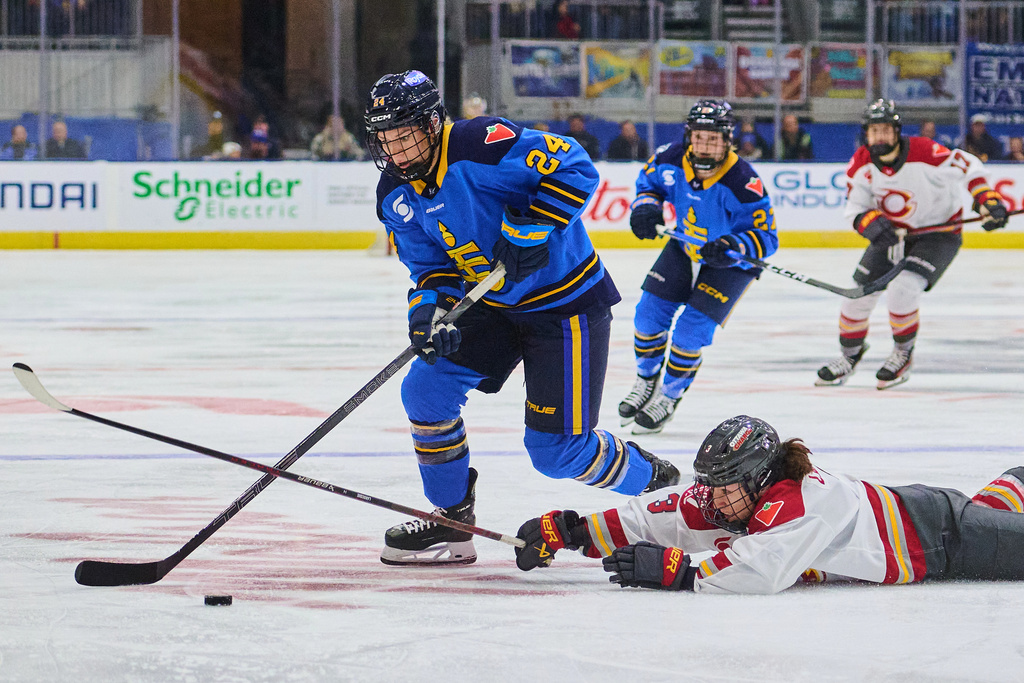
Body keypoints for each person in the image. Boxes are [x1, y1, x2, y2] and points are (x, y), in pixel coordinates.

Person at [364, 70, 680, 566]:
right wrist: (429, 315)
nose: (397, 152)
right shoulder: (394, 195)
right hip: (493, 305)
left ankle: (664, 489)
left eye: (404, 137)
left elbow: (575, 166)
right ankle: (452, 518)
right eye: (386, 140)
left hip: (564, 304)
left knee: (556, 454)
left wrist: (528, 229)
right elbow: (430, 269)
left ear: (431, 122)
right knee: (425, 390)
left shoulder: (481, 144)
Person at [513, 414, 1024, 594]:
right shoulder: (733, 492)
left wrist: (681, 573)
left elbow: (761, 571)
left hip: (944, 539)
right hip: (926, 514)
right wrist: (575, 530)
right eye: (710, 482)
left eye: (725, 484)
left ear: (758, 478)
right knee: (999, 509)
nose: (712, 496)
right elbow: (657, 513)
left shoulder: (807, 500)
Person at [815, 99, 1009, 390]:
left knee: (903, 289)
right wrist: (871, 224)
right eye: (873, 130)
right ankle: (849, 357)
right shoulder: (861, 163)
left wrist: (987, 199)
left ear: (897, 132)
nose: (879, 136)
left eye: (885, 130)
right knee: (856, 298)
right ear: (866, 134)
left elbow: (968, 166)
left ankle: (902, 354)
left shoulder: (926, 152)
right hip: (895, 236)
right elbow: (855, 209)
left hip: (938, 234)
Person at [617, 100, 777, 434]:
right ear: (690, 136)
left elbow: (767, 237)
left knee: (690, 333)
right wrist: (646, 208)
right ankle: (647, 381)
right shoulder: (669, 157)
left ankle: (669, 396)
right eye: (700, 137)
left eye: (714, 139)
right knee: (647, 316)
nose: (706, 146)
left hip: (730, 262)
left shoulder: (743, 181)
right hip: (685, 244)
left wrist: (735, 245)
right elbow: (649, 184)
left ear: (727, 140)